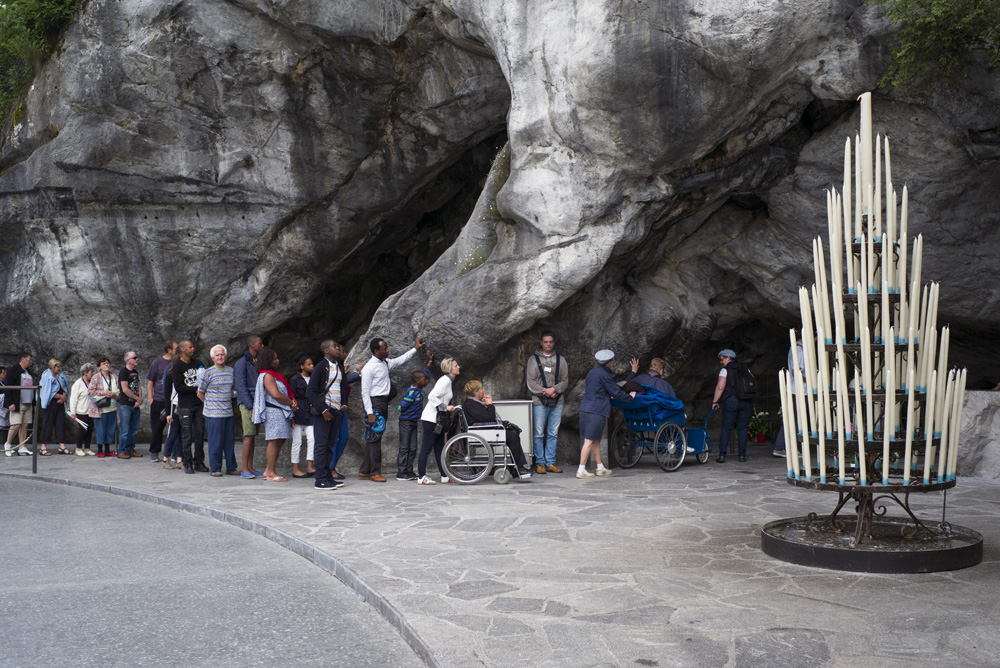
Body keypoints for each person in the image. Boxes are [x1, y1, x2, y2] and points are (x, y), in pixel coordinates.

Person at [360, 335, 426, 482]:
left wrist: (415, 349)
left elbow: (400, 360)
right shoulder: (369, 368)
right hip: (375, 404)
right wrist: (370, 413)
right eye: (385, 349)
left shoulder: (385, 363)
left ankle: (364, 470)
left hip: (382, 403)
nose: (388, 351)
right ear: (376, 351)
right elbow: (365, 392)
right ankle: (374, 472)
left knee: (373, 436)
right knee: (375, 438)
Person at [577, 350, 636, 478]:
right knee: (589, 440)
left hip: (585, 408)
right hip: (596, 410)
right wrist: (630, 397)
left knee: (595, 440)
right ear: (609, 362)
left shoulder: (592, 373)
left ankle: (600, 467)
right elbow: (615, 392)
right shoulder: (604, 375)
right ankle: (581, 470)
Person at [460, 379, 532, 478]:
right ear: (476, 393)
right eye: (481, 389)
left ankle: (516, 467)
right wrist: (489, 404)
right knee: (512, 436)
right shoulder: (471, 404)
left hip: (484, 430)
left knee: (513, 432)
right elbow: (488, 417)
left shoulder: (474, 403)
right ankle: (520, 468)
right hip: (481, 431)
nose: (483, 391)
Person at [526, 331, 568, 475]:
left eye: (550, 342)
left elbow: (565, 380)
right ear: (541, 342)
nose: (548, 344)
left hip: (558, 400)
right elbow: (530, 382)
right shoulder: (533, 360)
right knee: (538, 433)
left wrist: (555, 389)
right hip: (539, 401)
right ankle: (540, 463)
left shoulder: (560, 359)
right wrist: (546, 391)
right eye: (546, 342)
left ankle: (550, 462)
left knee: (553, 433)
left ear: (553, 343)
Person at [251, 347, 296, 482]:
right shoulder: (267, 375)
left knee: (280, 439)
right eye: (274, 359)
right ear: (267, 360)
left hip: (279, 411)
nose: (277, 361)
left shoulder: (272, 374)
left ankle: (268, 470)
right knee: (274, 440)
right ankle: (270, 472)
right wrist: (291, 403)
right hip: (274, 411)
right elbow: (275, 395)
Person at [306, 341, 346, 490]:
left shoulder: (339, 366)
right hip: (324, 412)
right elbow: (310, 392)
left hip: (336, 410)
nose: (338, 348)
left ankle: (328, 476)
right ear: (326, 350)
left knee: (330, 445)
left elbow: (342, 387)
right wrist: (323, 409)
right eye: (335, 346)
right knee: (321, 445)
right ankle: (320, 479)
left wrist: (344, 404)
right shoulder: (320, 367)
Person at [416, 357, 460, 485]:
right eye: (456, 365)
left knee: (439, 448)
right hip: (431, 419)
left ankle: (444, 475)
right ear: (450, 368)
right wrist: (445, 407)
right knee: (426, 448)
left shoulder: (448, 381)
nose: (458, 367)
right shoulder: (445, 381)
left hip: (438, 420)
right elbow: (431, 396)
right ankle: (421, 476)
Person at [167, 340, 208, 474]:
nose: (193, 349)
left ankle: (199, 461)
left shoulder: (198, 364)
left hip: (199, 404)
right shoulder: (178, 366)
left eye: (193, 346)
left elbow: (205, 380)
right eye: (190, 347)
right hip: (185, 405)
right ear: (183, 349)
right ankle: (187, 462)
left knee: (200, 433)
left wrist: (201, 390)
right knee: (186, 435)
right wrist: (196, 389)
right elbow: (179, 387)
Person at [198, 345, 237, 477]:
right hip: (213, 414)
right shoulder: (208, 373)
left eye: (222, 355)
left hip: (228, 412)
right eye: (217, 355)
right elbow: (200, 393)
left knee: (230, 441)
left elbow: (234, 390)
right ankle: (215, 468)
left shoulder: (232, 371)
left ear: (225, 356)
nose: (220, 357)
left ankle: (231, 467)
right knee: (215, 442)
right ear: (212, 358)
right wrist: (209, 405)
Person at [712, 349, 754, 463]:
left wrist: (715, 401)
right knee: (743, 428)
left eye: (722, 359)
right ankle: (742, 456)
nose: (721, 362)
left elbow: (720, 387)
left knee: (726, 427)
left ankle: (722, 455)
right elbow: (752, 381)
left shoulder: (725, 370)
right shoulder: (746, 368)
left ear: (728, 358)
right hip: (746, 401)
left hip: (731, 401)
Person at [396, 354, 433, 481]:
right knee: (404, 447)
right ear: (417, 381)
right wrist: (410, 414)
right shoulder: (411, 392)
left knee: (413, 447)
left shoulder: (418, 390)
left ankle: (409, 470)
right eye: (424, 379)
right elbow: (402, 407)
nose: (426, 381)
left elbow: (425, 373)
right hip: (406, 422)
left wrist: (429, 362)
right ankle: (401, 472)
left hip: (413, 422)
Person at [330, 341, 362, 480]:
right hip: (332, 408)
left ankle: (332, 466)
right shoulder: (328, 368)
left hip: (342, 408)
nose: (343, 354)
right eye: (341, 351)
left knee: (344, 437)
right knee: (333, 439)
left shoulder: (340, 368)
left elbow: (343, 382)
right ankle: (330, 468)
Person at [234, 335, 264, 477]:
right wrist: (250, 406)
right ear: (252, 345)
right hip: (248, 403)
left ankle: (251, 467)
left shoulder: (257, 361)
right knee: (248, 435)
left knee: (253, 435)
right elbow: (241, 387)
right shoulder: (241, 363)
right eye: (260, 343)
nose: (262, 345)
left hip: (257, 401)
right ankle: (244, 469)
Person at [773, 337, 805, 458]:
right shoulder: (799, 351)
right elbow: (795, 372)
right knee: (795, 419)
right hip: (798, 390)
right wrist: (810, 379)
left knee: (794, 419)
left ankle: (784, 447)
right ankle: (785, 447)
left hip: (795, 390)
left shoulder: (794, 349)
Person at [146, 340, 177, 462]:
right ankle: (154, 451)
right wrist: (150, 399)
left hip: (173, 400)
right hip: (159, 399)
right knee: (157, 427)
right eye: (176, 349)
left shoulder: (177, 362)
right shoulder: (158, 362)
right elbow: (150, 380)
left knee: (175, 427)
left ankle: (174, 453)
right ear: (169, 350)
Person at [290, 353, 316, 479]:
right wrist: (291, 415)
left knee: (312, 438)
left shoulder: (313, 379)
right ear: (302, 366)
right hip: (298, 412)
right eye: (309, 364)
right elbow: (291, 396)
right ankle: (295, 469)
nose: (312, 366)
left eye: (312, 364)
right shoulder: (295, 379)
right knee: (297, 441)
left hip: (310, 412)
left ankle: (310, 466)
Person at [4, 353, 35, 457]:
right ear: (23, 359)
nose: (30, 361)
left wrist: (34, 403)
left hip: (28, 402)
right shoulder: (13, 370)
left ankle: (22, 446)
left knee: (25, 424)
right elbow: (7, 387)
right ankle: (8, 444)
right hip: (18, 402)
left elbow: (32, 388)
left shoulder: (28, 372)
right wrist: (10, 403)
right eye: (29, 359)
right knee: (16, 424)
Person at [38, 358, 71, 456]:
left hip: (59, 403)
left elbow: (65, 386)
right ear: (52, 366)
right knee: (47, 424)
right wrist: (59, 396)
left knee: (60, 424)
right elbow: (45, 391)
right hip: (50, 404)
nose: (59, 369)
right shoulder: (46, 376)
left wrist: (64, 396)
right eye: (58, 366)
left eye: (60, 367)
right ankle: (43, 447)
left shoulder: (61, 376)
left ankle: (62, 446)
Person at [88, 357, 119, 457]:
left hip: (113, 407)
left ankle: (107, 449)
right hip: (100, 409)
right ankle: (100, 450)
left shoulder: (114, 376)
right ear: (99, 366)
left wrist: (114, 395)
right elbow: (90, 392)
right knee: (101, 429)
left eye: (108, 363)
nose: (107, 365)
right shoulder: (96, 377)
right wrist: (104, 392)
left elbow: (120, 390)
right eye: (104, 363)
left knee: (111, 429)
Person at [117, 351, 143, 458]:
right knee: (125, 430)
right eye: (134, 357)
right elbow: (125, 389)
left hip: (135, 404)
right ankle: (121, 450)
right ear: (128, 360)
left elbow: (138, 385)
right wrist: (137, 398)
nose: (137, 359)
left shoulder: (135, 372)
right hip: (125, 405)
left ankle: (130, 449)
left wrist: (139, 399)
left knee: (134, 429)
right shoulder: (123, 372)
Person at [70, 363, 97, 456]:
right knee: (82, 429)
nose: (92, 374)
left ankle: (87, 448)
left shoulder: (92, 383)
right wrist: (73, 412)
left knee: (89, 430)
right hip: (81, 411)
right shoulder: (78, 384)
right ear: (85, 373)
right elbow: (73, 399)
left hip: (91, 410)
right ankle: (78, 448)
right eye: (91, 372)